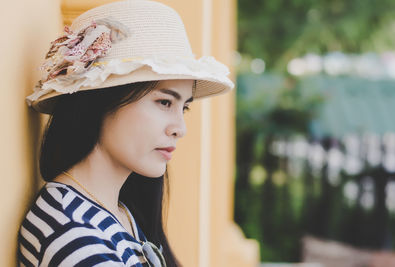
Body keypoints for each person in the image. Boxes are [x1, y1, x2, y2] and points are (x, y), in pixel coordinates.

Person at [18, 0, 233, 266]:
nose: (180, 128)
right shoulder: (74, 231)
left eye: (183, 108)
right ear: (101, 101)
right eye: (164, 102)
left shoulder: (117, 212)